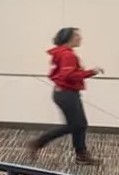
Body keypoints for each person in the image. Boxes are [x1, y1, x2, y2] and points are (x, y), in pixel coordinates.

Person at [29, 26, 100, 166]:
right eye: (77, 36)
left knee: (78, 125)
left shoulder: (62, 53)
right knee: (75, 125)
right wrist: (91, 72)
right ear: (69, 38)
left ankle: (81, 154)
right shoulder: (68, 55)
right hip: (67, 94)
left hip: (63, 93)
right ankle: (38, 142)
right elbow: (68, 75)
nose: (80, 38)